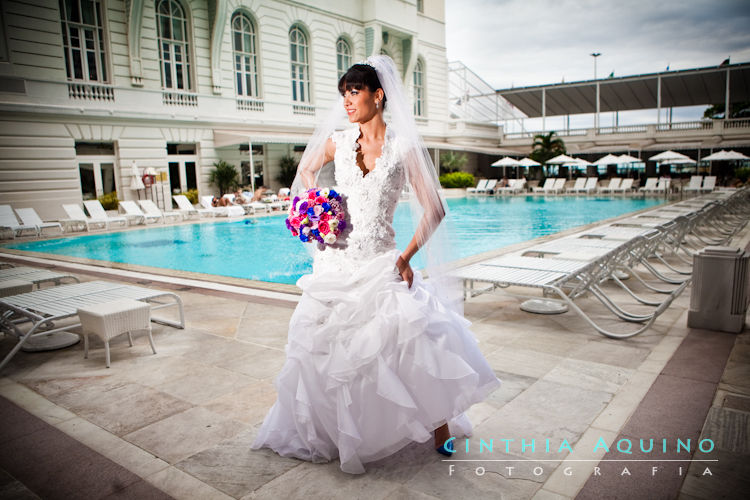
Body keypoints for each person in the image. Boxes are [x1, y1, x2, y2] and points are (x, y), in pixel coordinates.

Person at [251, 55, 500, 474]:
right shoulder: (336, 141)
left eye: (354, 92)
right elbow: (305, 169)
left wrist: (406, 256)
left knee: (414, 338)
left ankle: (441, 429)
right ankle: (337, 432)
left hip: (382, 259)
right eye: (343, 93)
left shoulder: (403, 147)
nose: (347, 101)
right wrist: (316, 206)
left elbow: (435, 208)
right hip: (337, 262)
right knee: (329, 350)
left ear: (377, 95)